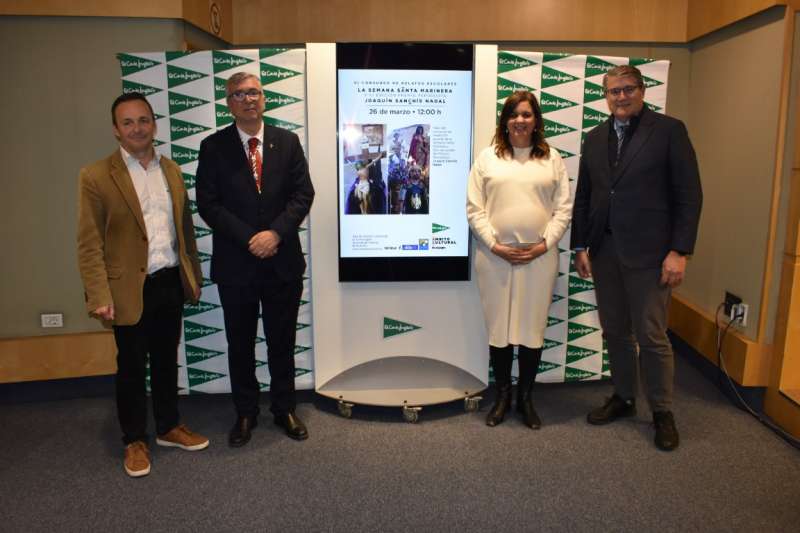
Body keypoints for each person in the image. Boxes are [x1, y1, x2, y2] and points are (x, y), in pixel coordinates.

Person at [77, 92, 209, 478]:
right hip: (126, 290)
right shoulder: (96, 176)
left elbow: (184, 229)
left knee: (167, 360)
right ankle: (134, 439)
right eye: (128, 122)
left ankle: (168, 427)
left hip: (169, 281)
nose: (137, 128)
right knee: (132, 368)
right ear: (116, 130)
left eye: (144, 120)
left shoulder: (171, 170)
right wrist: (99, 294)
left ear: (154, 123)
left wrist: (193, 277)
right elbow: (89, 243)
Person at [571, 65, 702, 451]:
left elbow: (688, 195)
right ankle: (625, 398)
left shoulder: (668, 131)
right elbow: (585, 197)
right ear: (605, 96)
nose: (621, 97)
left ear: (642, 91)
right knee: (615, 331)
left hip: (651, 254)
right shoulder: (594, 138)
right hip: (605, 251)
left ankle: (662, 411)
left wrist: (679, 251)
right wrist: (581, 246)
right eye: (614, 91)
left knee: (651, 334)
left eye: (628, 89)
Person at [196, 72, 314, 446]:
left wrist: (275, 233)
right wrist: (252, 238)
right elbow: (208, 204)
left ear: (264, 99)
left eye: (254, 92)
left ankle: (284, 408)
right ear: (228, 103)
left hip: (283, 262)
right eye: (238, 94)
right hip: (237, 265)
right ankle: (245, 413)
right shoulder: (213, 147)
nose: (248, 99)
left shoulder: (287, 141)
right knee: (240, 344)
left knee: (282, 341)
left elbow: (302, 194)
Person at [467, 91, 572, 429]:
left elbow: (563, 208)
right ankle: (502, 397)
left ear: (536, 120)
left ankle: (525, 399)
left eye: (527, 114)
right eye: (514, 114)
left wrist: (543, 246)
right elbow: (474, 208)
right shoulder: (487, 158)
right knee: (500, 330)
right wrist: (496, 246)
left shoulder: (552, 158)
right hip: (495, 257)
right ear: (505, 120)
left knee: (531, 330)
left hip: (538, 259)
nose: (520, 121)